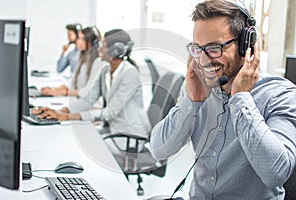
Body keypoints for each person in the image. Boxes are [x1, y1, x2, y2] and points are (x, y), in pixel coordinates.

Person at [150, 1, 296, 199]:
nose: (203, 59)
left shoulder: (280, 94)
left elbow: (276, 173)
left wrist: (241, 98)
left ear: (246, 44)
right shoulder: (201, 88)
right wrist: (190, 102)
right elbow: (158, 150)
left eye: (214, 48)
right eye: (197, 48)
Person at [35, 29, 151, 138]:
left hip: (129, 135)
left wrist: (67, 117)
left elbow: (110, 113)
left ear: (115, 50)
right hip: (111, 130)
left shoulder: (130, 74)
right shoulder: (106, 69)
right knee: (72, 135)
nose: (99, 48)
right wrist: (61, 111)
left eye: (103, 45)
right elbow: (88, 99)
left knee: (80, 142)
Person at [41, 26, 102, 98]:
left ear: (91, 42)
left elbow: (88, 90)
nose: (78, 41)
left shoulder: (97, 62)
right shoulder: (83, 58)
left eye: (81, 39)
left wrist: (62, 92)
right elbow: (73, 80)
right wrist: (54, 89)